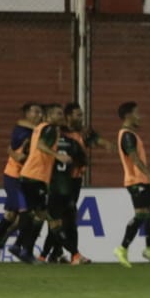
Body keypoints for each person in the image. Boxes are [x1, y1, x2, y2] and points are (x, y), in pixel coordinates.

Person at [41, 103, 111, 264]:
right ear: (68, 116)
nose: (81, 117)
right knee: (64, 217)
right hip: (63, 180)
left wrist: (106, 143)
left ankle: (56, 254)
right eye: (78, 115)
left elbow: (96, 140)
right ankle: (64, 254)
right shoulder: (61, 131)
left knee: (66, 217)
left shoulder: (83, 132)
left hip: (75, 180)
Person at [11, 103, 72, 264]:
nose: (61, 117)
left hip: (30, 176)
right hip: (35, 177)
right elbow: (40, 145)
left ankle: (19, 246)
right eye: (58, 114)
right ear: (49, 116)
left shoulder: (40, 127)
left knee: (35, 214)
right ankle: (27, 251)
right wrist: (57, 155)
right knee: (41, 214)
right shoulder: (50, 128)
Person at [0, 102, 42, 262]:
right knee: (25, 214)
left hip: (25, 178)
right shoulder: (23, 132)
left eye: (40, 112)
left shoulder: (36, 132)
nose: (38, 115)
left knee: (10, 216)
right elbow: (19, 156)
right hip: (14, 177)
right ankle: (18, 248)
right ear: (27, 114)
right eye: (35, 112)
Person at [115, 102, 150, 267]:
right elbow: (134, 159)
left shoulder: (132, 134)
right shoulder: (127, 135)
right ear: (128, 115)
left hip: (142, 180)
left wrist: (148, 177)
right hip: (135, 181)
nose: (140, 116)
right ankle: (122, 248)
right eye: (137, 113)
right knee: (142, 214)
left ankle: (149, 249)